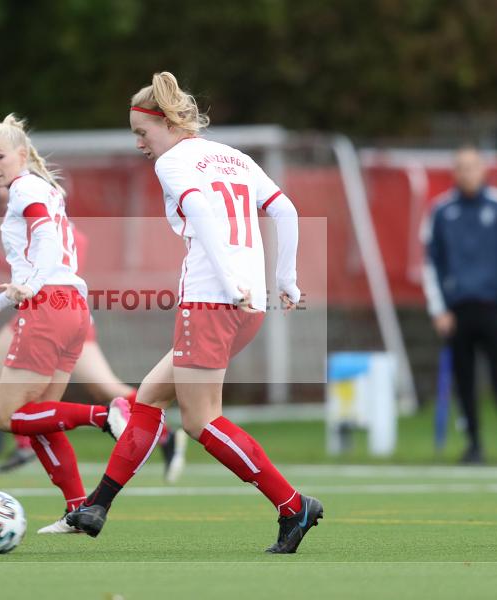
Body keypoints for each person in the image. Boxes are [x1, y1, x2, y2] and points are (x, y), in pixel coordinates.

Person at [66, 72, 323, 554]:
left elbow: (202, 213)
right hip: (249, 303)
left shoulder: (174, 162)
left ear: (165, 122)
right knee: (147, 398)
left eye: (142, 133)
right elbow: (285, 210)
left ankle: (293, 506)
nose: (139, 144)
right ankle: (97, 506)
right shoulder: (233, 156)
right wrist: (284, 280)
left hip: (212, 299)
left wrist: (228, 283)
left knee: (201, 423)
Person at [0, 113, 131, 534]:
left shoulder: (25, 188)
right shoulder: (41, 187)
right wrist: (1, 299)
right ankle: (78, 510)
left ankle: (104, 415)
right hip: (73, 306)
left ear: (21, 155)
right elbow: (45, 256)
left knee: (9, 416)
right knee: (43, 417)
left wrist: (31, 286)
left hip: (48, 308)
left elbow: (43, 238)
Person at [0, 192, 189, 482]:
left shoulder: (50, 224)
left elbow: (58, 268)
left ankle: (160, 434)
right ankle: (162, 435)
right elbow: (33, 271)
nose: (4, 194)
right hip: (50, 311)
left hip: (53, 312)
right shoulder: (33, 221)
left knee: (104, 389)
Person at [420, 146, 497, 465]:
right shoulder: (441, 212)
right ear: (454, 172)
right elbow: (431, 263)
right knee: (464, 379)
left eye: (472, 166)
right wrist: (438, 309)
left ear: (483, 169)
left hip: (493, 307)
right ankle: (473, 445)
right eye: (461, 167)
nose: (467, 173)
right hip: (456, 310)